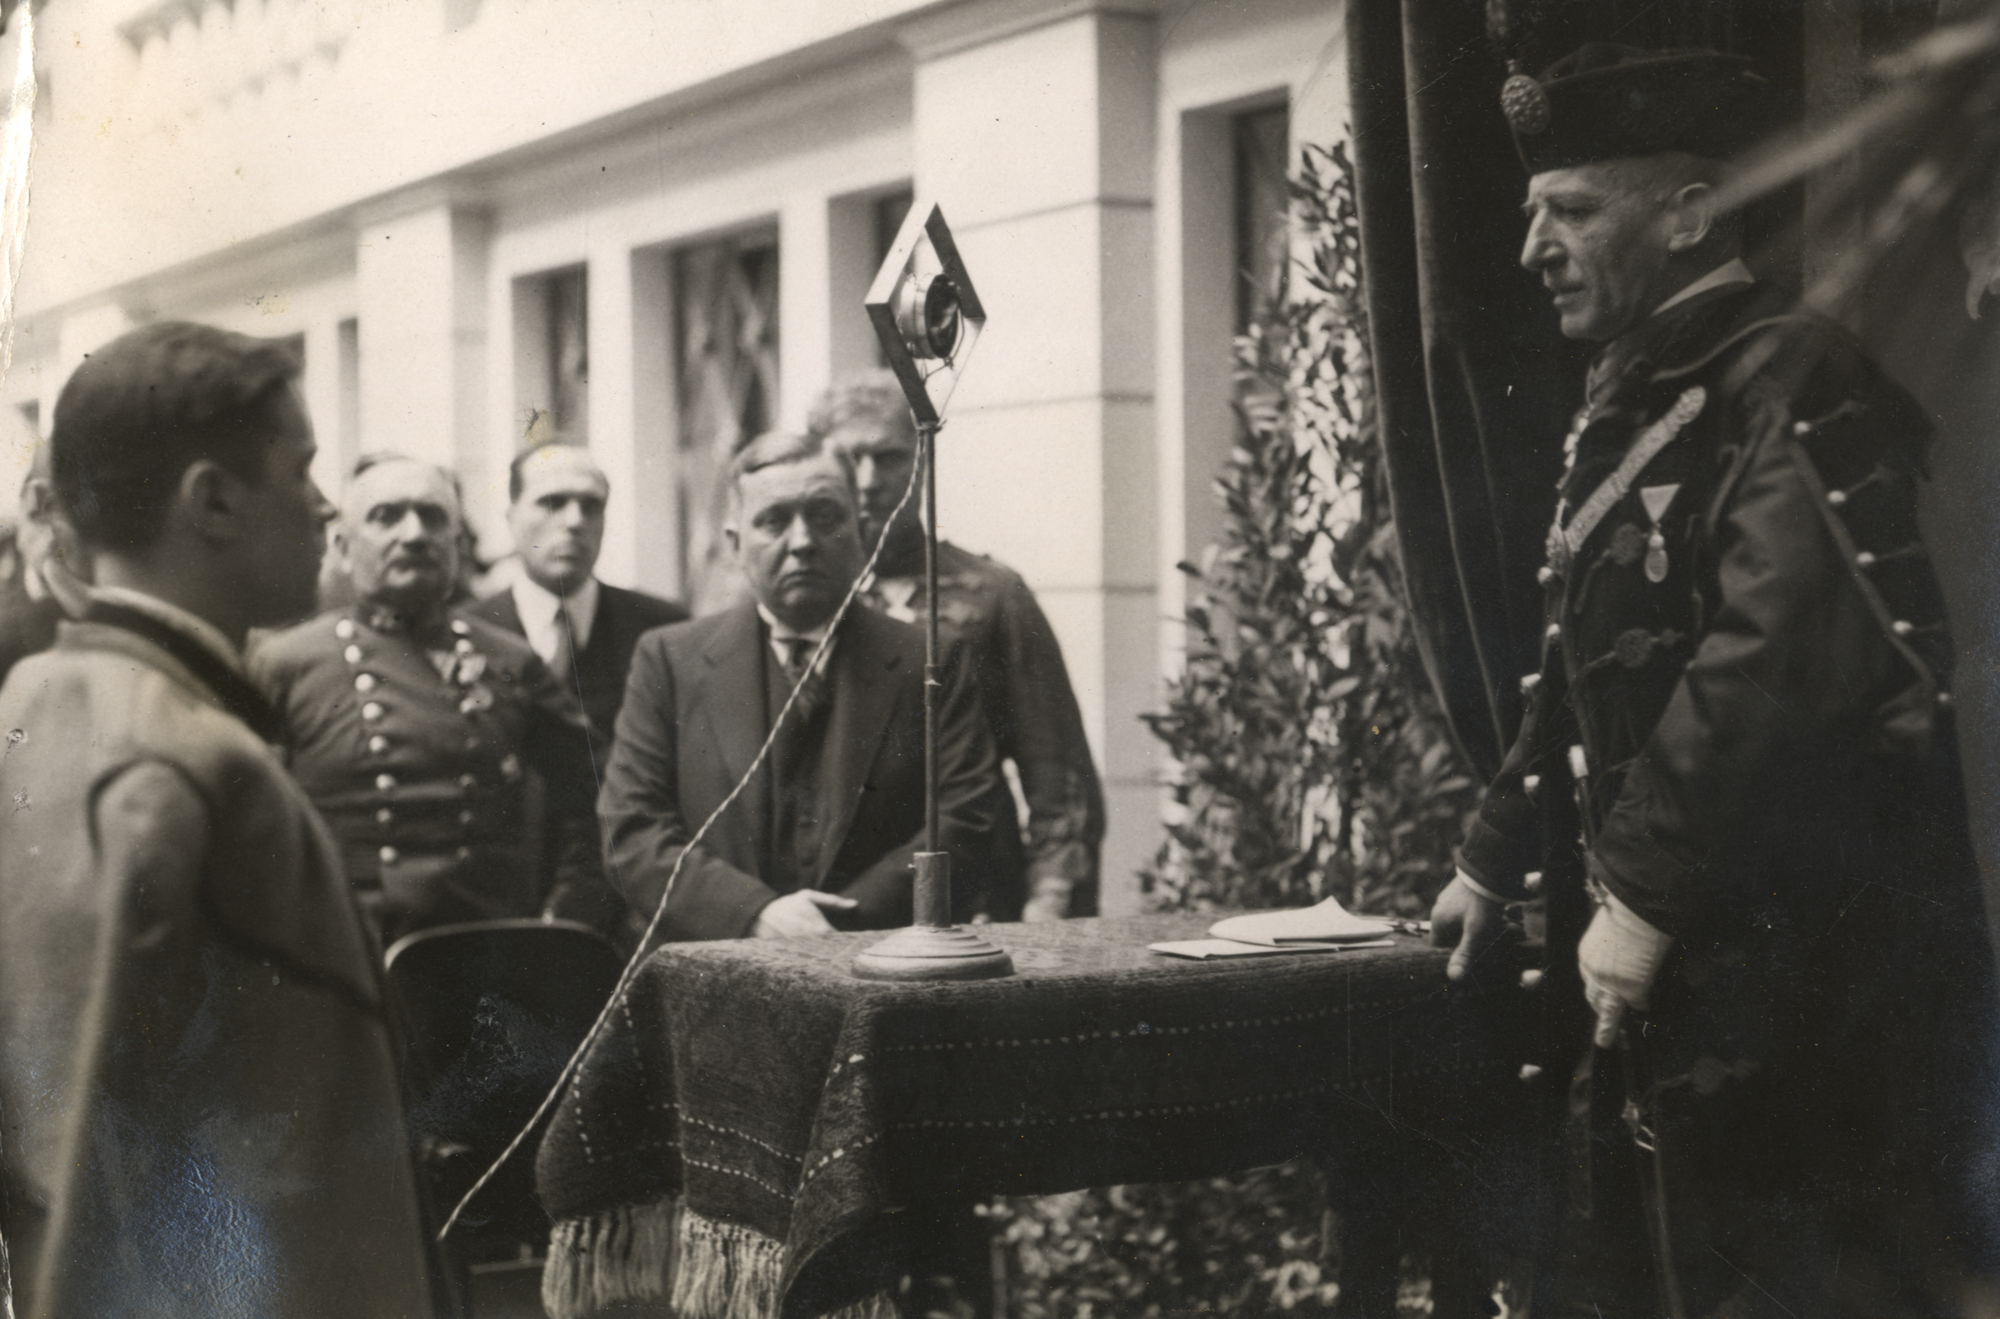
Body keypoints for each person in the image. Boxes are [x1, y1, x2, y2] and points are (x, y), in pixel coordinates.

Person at [1428, 44, 2000, 1316]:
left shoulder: (1790, 371)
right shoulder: (1641, 386)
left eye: (1570, 210)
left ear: (1688, 214)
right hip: (1690, 949)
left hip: (1803, 961)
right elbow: (1582, 654)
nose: (1530, 250)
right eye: (1530, 213)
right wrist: (1491, 853)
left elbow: (1777, 653)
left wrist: (1637, 890)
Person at [0, 322, 432, 1317]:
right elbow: (97, 1158)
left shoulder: (40, 697)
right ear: (214, 501)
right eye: (301, 468)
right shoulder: (179, 758)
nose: (324, 505)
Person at [599, 428, 1010, 942]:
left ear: (861, 534)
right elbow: (631, 829)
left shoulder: (929, 661)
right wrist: (752, 914)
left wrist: (834, 924)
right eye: (774, 521)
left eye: (824, 517)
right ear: (735, 545)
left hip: (877, 956)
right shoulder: (669, 660)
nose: (802, 543)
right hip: (713, 961)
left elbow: (966, 818)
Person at [252, 454, 616, 948]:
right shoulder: (285, 662)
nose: (414, 534)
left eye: (432, 517)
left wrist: (563, 922)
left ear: (457, 544)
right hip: (339, 955)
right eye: (386, 517)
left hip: (483, 955)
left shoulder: (509, 659)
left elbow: (597, 795)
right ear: (342, 547)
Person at [809, 371, 1105, 920]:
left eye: (889, 457)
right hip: (830, 899)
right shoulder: (802, 601)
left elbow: (1058, 774)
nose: (868, 481)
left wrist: (1050, 902)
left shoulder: (992, 594)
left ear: (923, 461)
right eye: (849, 459)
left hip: (974, 892)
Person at [468, 440, 687, 753]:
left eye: (591, 506)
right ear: (512, 519)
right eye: (553, 502)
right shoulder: (469, 630)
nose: (575, 521)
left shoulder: (664, 629)